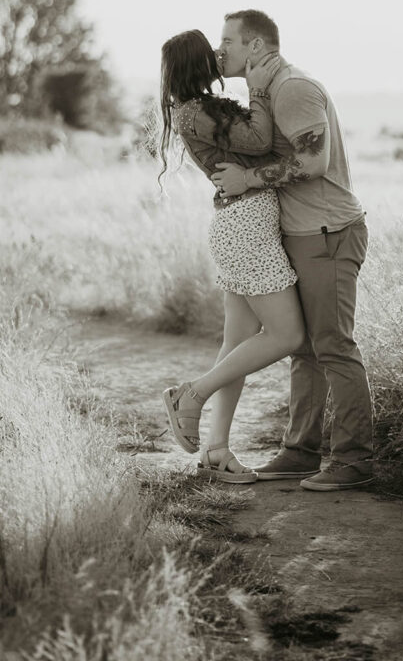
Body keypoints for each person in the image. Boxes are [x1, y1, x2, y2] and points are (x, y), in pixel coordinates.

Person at [211, 10, 373, 491]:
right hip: (300, 234)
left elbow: (314, 160)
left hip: (328, 232)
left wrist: (247, 180)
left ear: (256, 46)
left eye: (228, 40)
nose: (220, 50)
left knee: (333, 346)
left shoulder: (294, 89)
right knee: (304, 348)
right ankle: (301, 451)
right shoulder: (266, 91)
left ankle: (354, 461)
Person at [159, 29, 306, 483]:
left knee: (236, 344)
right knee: (287, 335)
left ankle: (217, 451)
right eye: (213, 51)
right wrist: (258, 88)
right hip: (246, 228)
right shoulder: (195, 112)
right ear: (199, 63)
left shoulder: (199, 107)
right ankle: (192, 395)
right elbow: (260, 140)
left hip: (244, 224)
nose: (221, 55)